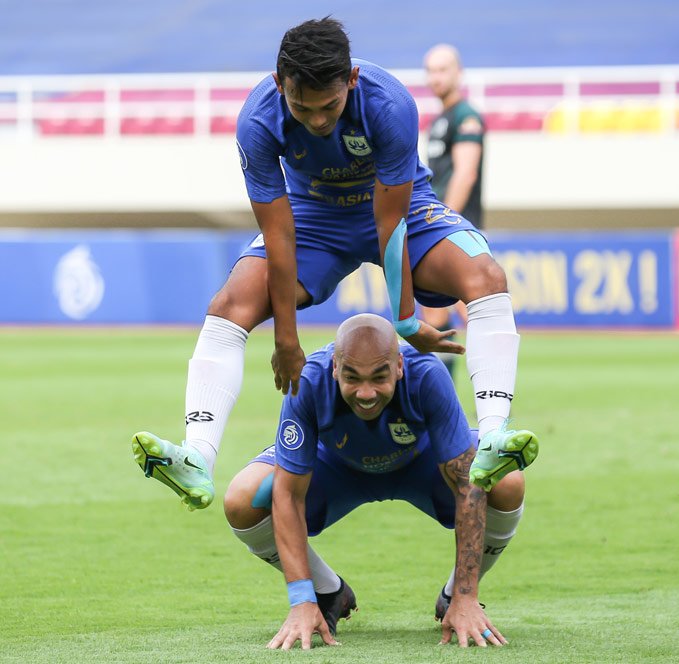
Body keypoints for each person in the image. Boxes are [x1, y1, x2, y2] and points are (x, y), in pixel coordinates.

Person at [130, 17, 535, 509]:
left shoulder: (391, 105)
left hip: (398, 208)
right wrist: (285, 338)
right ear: (280, 86)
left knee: (486, 276)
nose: (317, 120)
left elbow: (390, 224)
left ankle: (493, 436)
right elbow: (279, 233)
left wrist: (406, 321)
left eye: (329, 106)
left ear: (351, 81)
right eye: (302, 106)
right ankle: (197, 456)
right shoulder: (257, 120)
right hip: (312, 217)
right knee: (228, 305)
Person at [222, 314, 533, 649]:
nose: (366, 393)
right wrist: (301, 600)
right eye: (352, 377)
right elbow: (288, 493)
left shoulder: (427, 373)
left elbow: (466, 485)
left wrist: (467, 596)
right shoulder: (308, 381)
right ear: (334, 368)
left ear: (399, 366)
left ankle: (453, 597)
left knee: (507, 481)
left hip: (423, 465)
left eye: (379, 377)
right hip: (336, 468)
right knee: (242, 499)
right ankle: (327, 593)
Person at [421, 43, 486, 376]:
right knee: (434, 315)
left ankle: (493, 389)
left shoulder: (465, 116)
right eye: (430, 70)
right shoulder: (439, 121)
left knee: (472, 309)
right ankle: (441, 403)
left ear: (458, 73)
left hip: (453, 230)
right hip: (439, 228)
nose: (436, 77)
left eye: (443, 69)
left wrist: (443, 222)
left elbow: (466, 172)